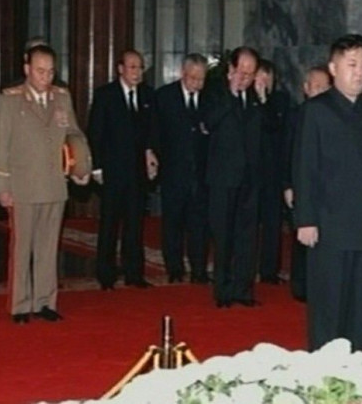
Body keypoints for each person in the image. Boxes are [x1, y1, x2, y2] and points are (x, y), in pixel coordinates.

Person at [293, 34, 362, 351]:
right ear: (333, 68)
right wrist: (306, 219)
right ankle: (326, 373)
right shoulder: (317, 111)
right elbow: (305, 168)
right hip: (331, 226)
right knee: (329, 306)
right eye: (351, 65)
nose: (359, 72)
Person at [0, 45, 89, 323]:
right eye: (40, 71)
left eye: (50, 72)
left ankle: (46, 301)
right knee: (22, 248)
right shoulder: (9, 101)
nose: (45, 77)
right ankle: (20, 305)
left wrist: (80, 167)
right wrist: (1, 186)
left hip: (54, 184)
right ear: (27, 69)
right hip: (22, 185)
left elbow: (73, 133)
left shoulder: (62, 98)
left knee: (48, 247)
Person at [88, 49, 158, 290]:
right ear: (120, 69)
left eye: (140, 67)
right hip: (112, 171)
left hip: (137, 172)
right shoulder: (105, 95)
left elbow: (151, 132)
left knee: (135, 224)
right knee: (109, 224)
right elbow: (95, 133)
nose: (137, 72)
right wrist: (96, 167)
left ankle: (134, 274)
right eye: (132, 67)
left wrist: (151, 154)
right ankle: (106, 275)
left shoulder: (148, 96)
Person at [205, 46, 263, 308]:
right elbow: (208, 122)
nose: (246, 78)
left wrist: (262, 99)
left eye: (251, 74)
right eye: (242, 72)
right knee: (224, 235)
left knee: (247, 236)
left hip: (250, 178)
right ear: (230, 70)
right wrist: (231, 94)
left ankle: (244, 288)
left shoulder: (254, 98)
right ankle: (223, 290)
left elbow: (269, 129)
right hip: (223, 177)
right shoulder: (215, 92)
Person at [155, 53, 211, 284]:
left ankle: (199, 269)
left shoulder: (210, 98)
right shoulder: (165, 97)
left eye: (201, 79)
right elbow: (156, 132)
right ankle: (175, 268)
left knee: (199, 223)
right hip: (173, 171)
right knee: (173, 222)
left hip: (201, 172)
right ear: (182, 74)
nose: (197, 83)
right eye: (193, 78)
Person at [283, 66, 331, 302]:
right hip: (301, 185)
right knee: (302, 237)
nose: (320, 91)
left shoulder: (335, 117)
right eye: (316, 86)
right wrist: (288, 185)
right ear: (305, 88)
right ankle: (301, 285)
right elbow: (287, 153)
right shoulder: (296, 115)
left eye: (325, 87)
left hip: (328, 188)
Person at [254, 59, 292, 285]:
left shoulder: (279, 101)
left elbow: (274, 126)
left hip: (273, 172)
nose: (264, 82)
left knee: (272, 223)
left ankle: (269, 270)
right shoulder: (245, 100)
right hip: (251, 172)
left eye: (268, 78)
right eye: (261, 77)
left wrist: (264, 101)